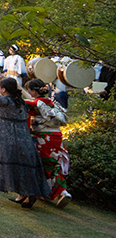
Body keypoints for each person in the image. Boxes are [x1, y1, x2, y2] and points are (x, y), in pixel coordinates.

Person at [0, 75, 50, 207]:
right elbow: (27, 99)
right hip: (24, 136)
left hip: (10, 135)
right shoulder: (20, 101)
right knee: (24, 165)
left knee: (15, 165)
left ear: (3, 90)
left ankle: (28, 194)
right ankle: (24, 194)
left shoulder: (7, 102)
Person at [25, 79, 72, 207]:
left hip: (44, 137)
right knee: (54, 164)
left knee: (42, 165)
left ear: (34, 91)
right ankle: (61, 191)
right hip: (57, 136)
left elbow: (17, 104)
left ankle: (58, 191)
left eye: (29, 90)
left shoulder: (34, 104)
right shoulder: (51, 102)